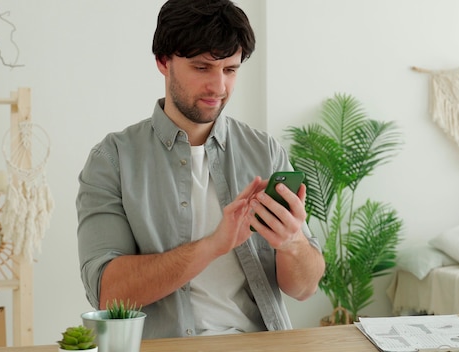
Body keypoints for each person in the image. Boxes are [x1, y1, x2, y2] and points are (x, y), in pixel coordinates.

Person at [76, 0, 325, 339]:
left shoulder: (264, 151)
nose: (219, 87)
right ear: (163, 62)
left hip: (260, 345)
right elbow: (108, 292)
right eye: (202, 68)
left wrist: (293, 242)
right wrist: (213, 244)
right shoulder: (112, 160)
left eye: (230, 70)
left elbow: (304, 289)